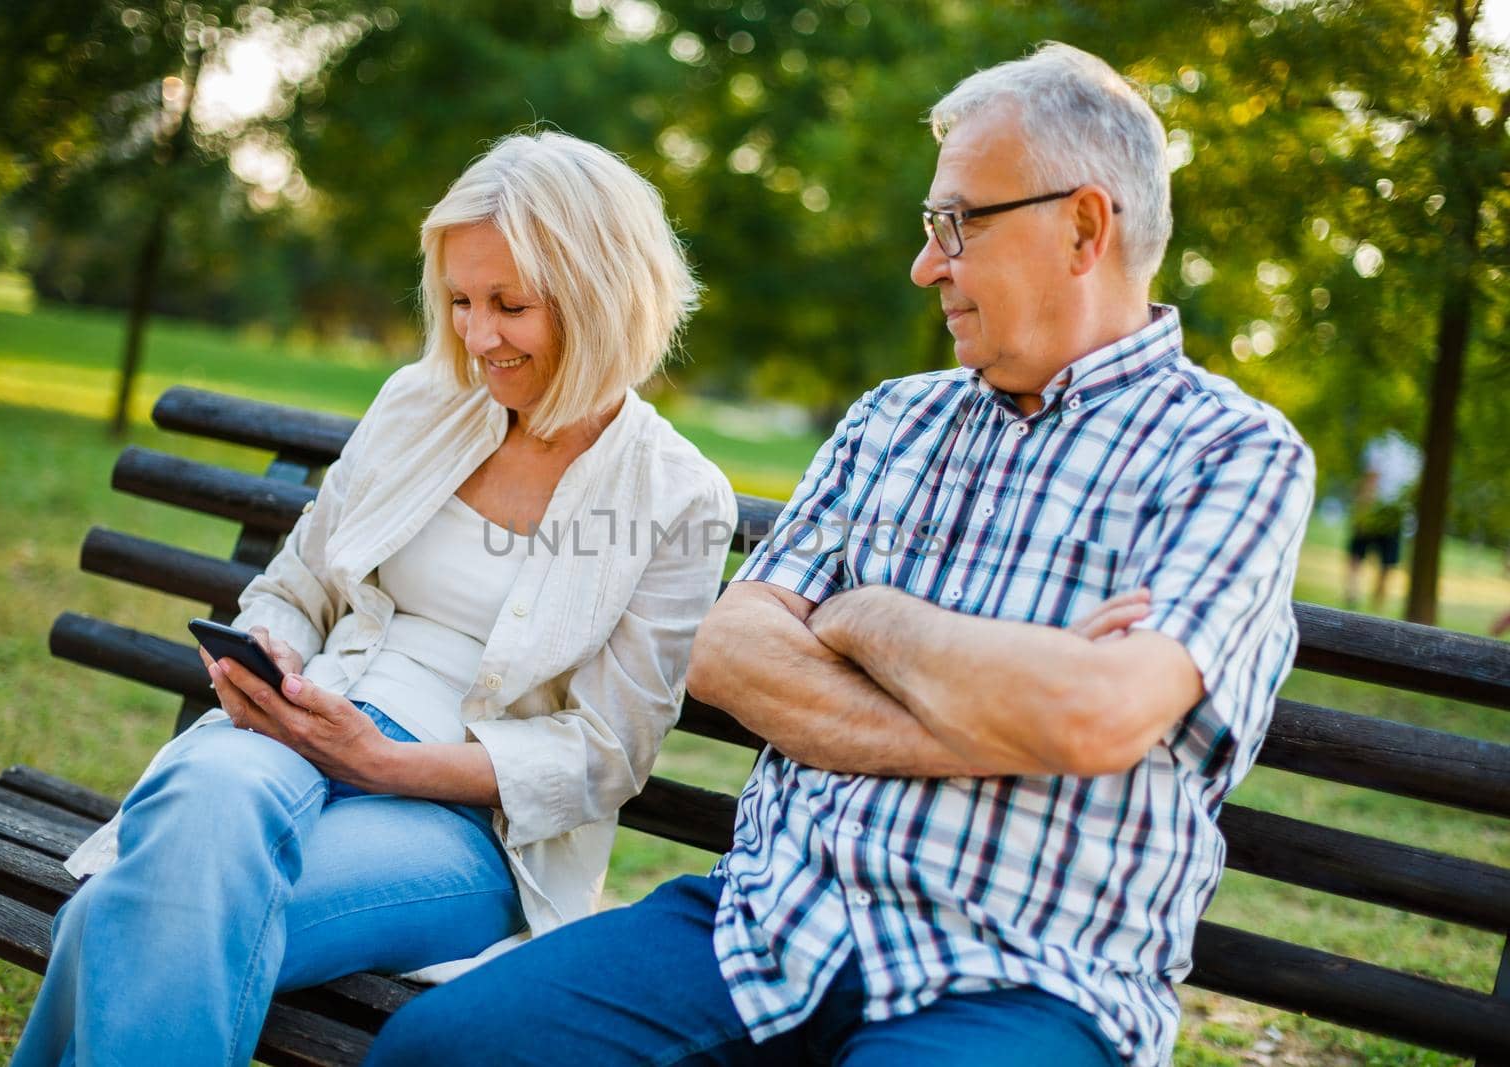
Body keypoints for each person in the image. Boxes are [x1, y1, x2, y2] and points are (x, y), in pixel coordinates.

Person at [363, 43, 1316, 1067]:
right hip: (764, 926)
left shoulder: (1232, 454)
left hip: (1025, 977)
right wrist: (1013, 699)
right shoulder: (892, 421)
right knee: (440, 1049)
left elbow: (1095, 712)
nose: (925, 265)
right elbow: (729, 651)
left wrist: (868, 618)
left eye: (955, 225)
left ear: (1082, 226)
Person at [11, 131, 736, 1066]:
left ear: (602, 295)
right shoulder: (417, 405)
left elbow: (603, 757)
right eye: (462, 301)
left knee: (123, 913)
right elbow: (296, 586)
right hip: (296, 738)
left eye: (511, 305)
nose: (477, 337)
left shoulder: (674, 495)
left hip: (467, 827)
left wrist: (384, 763)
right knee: (206, 793)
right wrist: (262, 656)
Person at [1343, 429, 1420, 612]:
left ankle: (1353, 597)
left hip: (1375, 508)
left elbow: (1371, 479)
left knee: (1356, 557)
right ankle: (1376, 606)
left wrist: (1362, 512)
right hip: (1396, 512)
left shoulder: (1379, 444)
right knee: (1387, 565)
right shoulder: (1415, 454)